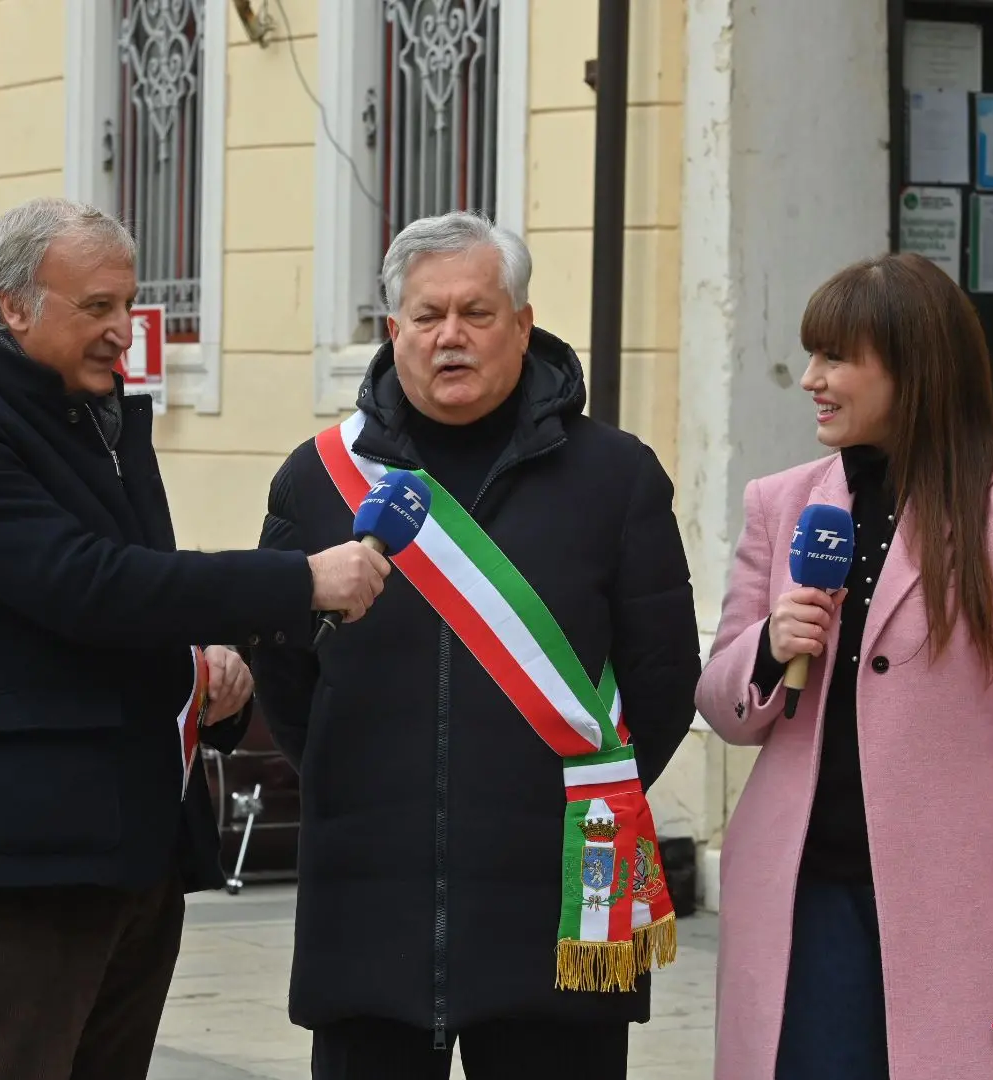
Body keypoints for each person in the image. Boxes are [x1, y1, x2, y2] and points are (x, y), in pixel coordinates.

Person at [0, 197, 391, 1080]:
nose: (123, 330)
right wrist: (299, 582)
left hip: (125, 845)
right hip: (14, 855)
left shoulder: (95, 417)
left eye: (129, 304)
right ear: (14, 306)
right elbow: (85, 586)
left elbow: (132, 598)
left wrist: (204, 670)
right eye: (97, 307)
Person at [250, 210, 702, 1080]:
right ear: (394, 331)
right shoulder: (317, 480)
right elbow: (286, 672)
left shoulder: (616, 476)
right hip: (371, 905)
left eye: (477, 313)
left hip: (557, 903)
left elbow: (662, 675)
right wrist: (368, 789)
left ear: (523, 325)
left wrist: (571, 794)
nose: (449, 336)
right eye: (427, 316)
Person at [695, 252, 993, 1079]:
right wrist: (770, 645)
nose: (812, 379)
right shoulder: (781, 502)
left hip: (958, 904)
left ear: (914, 370)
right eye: (812, 356)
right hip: (802, 893)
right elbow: (722, 706)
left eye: (836, 358)